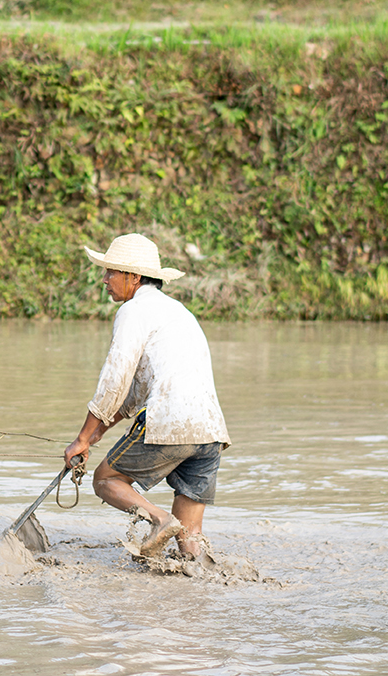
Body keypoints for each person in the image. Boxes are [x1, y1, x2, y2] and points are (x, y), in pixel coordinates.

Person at [61, 233, 230, 565]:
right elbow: (134, 394)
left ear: (133, 277)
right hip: (210, 430)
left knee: (106, 479)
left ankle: (157, 519)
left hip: (170, 420)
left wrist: (81, 437)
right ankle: (198, 579)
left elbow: (114, 380)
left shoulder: (134, 310)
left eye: (111, 272)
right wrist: (96, 435)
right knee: (190, 535)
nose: (105, 280)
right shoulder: (176, 311)